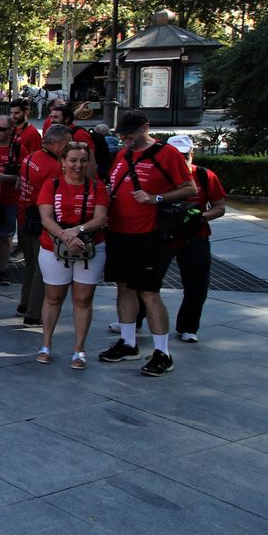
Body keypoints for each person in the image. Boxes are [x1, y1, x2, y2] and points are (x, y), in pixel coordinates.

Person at [98, 110, 197, 377]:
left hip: (148, 235)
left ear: (145, 128)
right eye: (122, 136)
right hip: (119, 232)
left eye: (129, 135)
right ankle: (128, 343)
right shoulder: (122, 154)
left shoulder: (167, 155)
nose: (125, 140)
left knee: (149, 293)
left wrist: (156, 198)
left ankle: (162, 352)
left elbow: (190, 189)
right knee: (123, 287)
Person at [35, 142, 108, 369]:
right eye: (73, 160)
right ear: (63, 162)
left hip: (90, 247)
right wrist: (66, 237)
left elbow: (99, 218)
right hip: (53, 247)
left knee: (83, 299)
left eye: (83, 160)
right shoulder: (51, 185)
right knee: (54, 297)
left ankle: (79, 349)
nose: (78, 165)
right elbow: (46, 218)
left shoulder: (98, 187)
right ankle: (46, 344)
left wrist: (78, 231)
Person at [161, 135, 226, 343]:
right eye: (175, 156)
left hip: (196, 237)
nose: (181, 160)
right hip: (165, 236)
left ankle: (188, 327)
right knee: (148, 282)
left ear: (191, 154)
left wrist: (200, 217)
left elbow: (219, 207)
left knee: (196, 285)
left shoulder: (205, 176)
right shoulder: (160, 176)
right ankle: (134, 322)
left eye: (184, 155)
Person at [17, 124, 73, 327]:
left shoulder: (30, 157)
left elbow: (19, 184)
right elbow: (55, 198)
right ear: (57, 144)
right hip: (41, 220)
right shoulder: (54, 167)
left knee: (31, 265)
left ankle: (24, 304)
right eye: (67, 144)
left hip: (24, 216)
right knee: (42, 270)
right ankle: (33, 314)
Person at [0, 112, 24, 285]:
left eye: (1, 129)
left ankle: (2, 269)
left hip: (9, 200)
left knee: (6, 236)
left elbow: (23, 176)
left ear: (11, 130)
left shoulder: (19, 149)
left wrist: (4, 178)